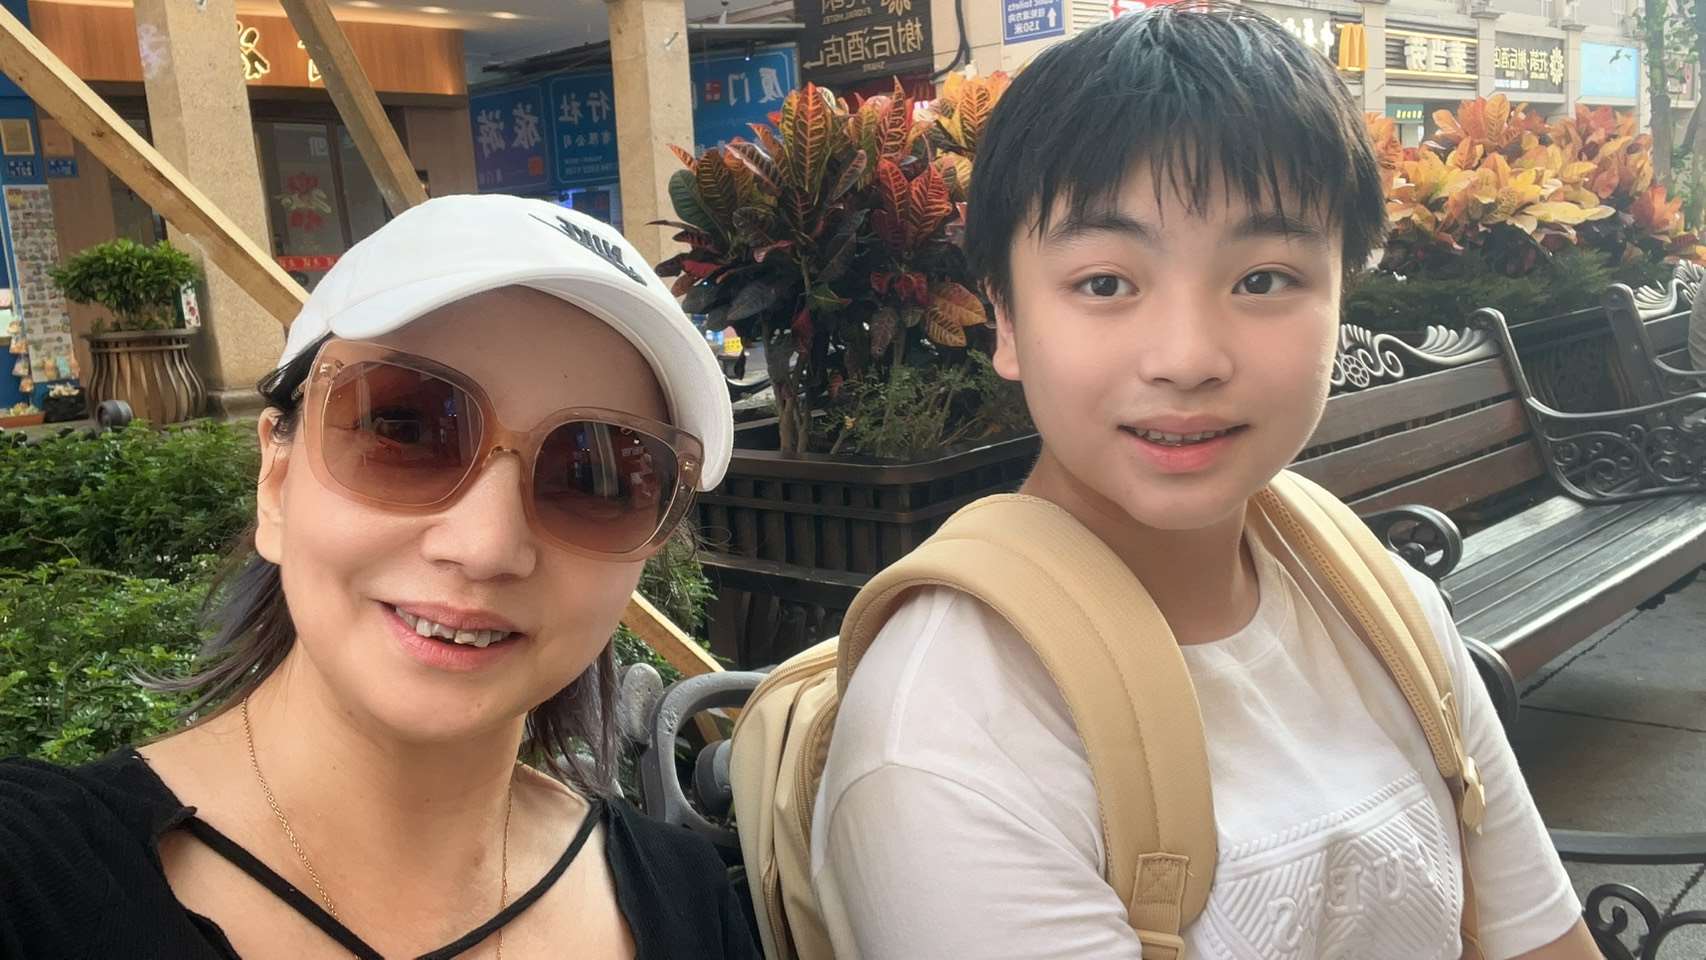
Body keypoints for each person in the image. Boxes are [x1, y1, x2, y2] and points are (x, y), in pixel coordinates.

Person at [811, 7, 1600, 959]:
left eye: (1262, 280)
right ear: (1006, 321)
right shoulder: (948, 735)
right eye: (1105, 283)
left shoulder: (1380, 601)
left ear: (1340, 297)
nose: (1187, 359)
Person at [0, 194, 758, 960]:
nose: (486, 546)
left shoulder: (690, 906)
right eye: (404, 430)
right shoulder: (30, 882)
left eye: (592, 475)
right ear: (276, 481)